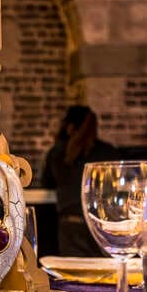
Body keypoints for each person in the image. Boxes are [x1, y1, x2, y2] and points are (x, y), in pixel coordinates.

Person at [42, 106, 120, 257]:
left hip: (71, 223)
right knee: (105, 275)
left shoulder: (58, 153)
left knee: (75, 277)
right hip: (102, 223)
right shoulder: (108, 151)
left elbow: (48, 182)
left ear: (69, 126)